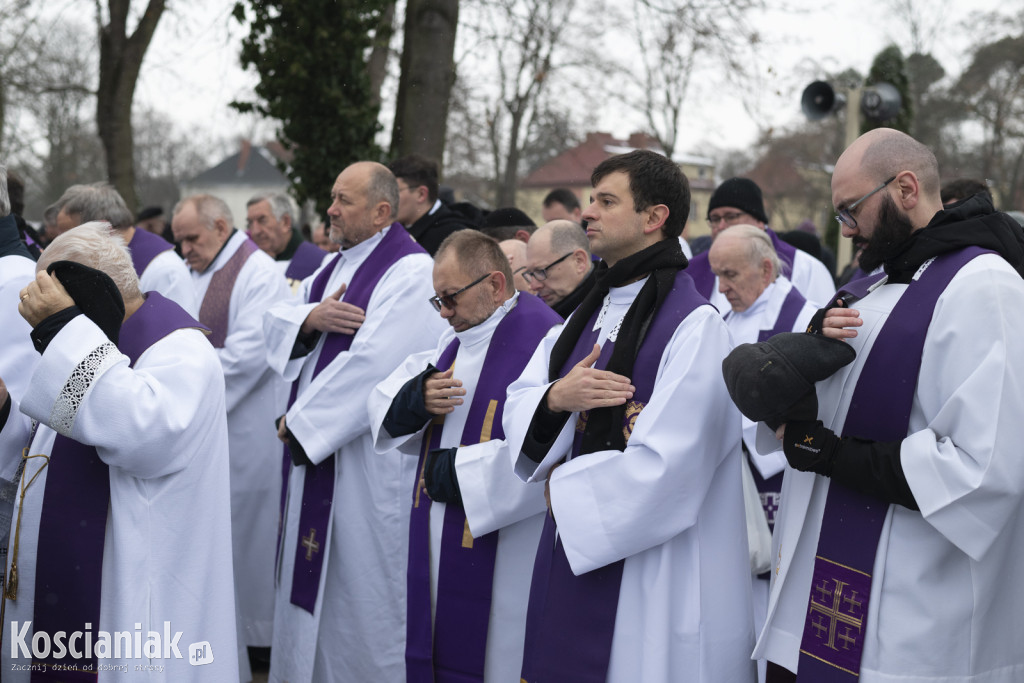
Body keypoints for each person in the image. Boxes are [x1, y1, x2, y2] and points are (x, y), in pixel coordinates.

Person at [755, 128, 1024, 683]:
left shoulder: (985, 285)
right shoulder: (872, 285)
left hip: (909, 614)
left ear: (905, 188)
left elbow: (983, 468)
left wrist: (829, 454)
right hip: (812, 596)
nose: (846, 229)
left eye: (851, 209)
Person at [503, 149, 755, 682]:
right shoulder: (582, 316)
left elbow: (671, 465)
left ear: (653, 217)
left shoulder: (696, 326)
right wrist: (555, 399)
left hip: (653, 572)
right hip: (576, 541)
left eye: (605, 201)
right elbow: (521, 398)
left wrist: (563, 491)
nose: (587, 213)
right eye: (591, 200)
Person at [0, 222, 238, 681]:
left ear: (84, 290)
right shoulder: (92, 344)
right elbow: (41, 452)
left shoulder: (181, 348)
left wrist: (61, 328)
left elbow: (142, 433)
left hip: (130, 600)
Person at [264, 161, 447, 682]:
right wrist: (309, 318)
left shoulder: (411, 273)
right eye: (333, 197)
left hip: (363, 465)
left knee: (357, 600)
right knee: (309, 592)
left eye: (344, 200)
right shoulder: (332, 267)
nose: (331, 209)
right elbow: (277, 316)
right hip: (318, 456)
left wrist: (299, 428)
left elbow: (376, 362)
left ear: (382, 211)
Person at [368, 230, 562, 682]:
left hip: (507, 541)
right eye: (438, 301)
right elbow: (380, 401)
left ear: (495, 285)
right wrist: (415, 399)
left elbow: (553, 448)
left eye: (451, 297)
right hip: (439, 531)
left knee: (498, 655)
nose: (445, 312)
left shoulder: (546, 339)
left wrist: (457, 473)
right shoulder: (453, 340)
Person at [171, 194, 290, 664]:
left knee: (247, 537)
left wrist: (178, 384)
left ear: (221, 226)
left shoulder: (259, 273)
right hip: (207, 428)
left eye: (192, 238)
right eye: (179, 239)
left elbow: (248, 356)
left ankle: (254, 642)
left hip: (246, 432)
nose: (184, 249)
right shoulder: (196, 270)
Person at [707, 223, 816, 683]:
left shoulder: (806, 318)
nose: (721, 286)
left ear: (766, 268)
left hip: (779, 475)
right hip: (730, 478)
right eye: (717, 275)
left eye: (730, 274)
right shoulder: (720, 317)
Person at [52, 182, 198, 315]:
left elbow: (180, 337)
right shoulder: (104, 262)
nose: (61, 244)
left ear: (104, 229)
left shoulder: (165, 272)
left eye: (69, 236)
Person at [688, 177, 836, 308]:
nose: (720, 226)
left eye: (731, 216)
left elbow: (822, 329)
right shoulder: (692, 271)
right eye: (714, 219)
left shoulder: (805, 268)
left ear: (759, 220)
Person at [388, 155, 477, 256]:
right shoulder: (392, 228)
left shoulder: (454, 238)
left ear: (421, 194)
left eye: (394, 191)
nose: (387, 198)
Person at [246, 192, 328, 290]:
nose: (255, 231)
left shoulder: (322, 263)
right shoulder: (250, 266)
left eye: (262, 220)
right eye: (250, 223)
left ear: (285, 222)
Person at [523, 219, 597, 318]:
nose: (533, 286)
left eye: (541, 271)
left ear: (579, 261)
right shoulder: (541, 317)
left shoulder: (611, 310)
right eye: (531, 274)